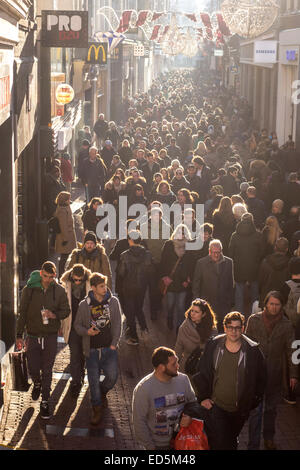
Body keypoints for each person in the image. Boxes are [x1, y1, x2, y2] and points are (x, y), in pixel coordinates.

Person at [183, 312, 266, 450]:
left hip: (239, 410)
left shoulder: (252, 350)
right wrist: (203, 397)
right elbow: (202, 371)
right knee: (220, 442)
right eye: (230, 327)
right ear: (225, 328)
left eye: (238, 327)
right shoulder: (213, 345)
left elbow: (261, 378)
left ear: (243, 328)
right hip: (217, 407)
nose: (234, 331)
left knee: (231, 439)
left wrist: (252, 401)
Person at [15, 261, 70, 419]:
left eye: (51, 277)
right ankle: (37, 383)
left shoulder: (59, 290)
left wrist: (54, 315)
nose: (47, 280)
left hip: (50, 335)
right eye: (45, 276)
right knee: (33, 368)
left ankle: (45, 401)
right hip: (32, 335)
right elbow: (22, 313)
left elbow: (66, 310)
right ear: (40, 273)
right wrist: (19, 335)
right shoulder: (29, 289)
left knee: (47, 370)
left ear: (54, 276)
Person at [246, 291, 298, 450]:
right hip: (256, 374)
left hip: (275, 374)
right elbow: (246, 345)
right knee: (255, 412)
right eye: (271, 304)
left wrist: (294, 374)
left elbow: (293, 351)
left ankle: (269, 438)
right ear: (266, 304)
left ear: (281, 306)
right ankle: (253, 444)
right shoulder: (253, 320)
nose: (274, 307)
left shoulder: (287, 325)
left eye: (277, 304)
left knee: (271, 410)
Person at [74, 272, 122, 425]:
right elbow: (77, 326)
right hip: (92, 350)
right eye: (101, 286)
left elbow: (118, 324)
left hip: (109, 349)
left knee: (112, 377)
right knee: (93, 381)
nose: (105, 288)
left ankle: (102, 392)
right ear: (93, 287)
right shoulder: (84, 305)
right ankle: (96, 408)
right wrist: (86, 332)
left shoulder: (113, 302)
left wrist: (114, 343)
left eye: (105, 285)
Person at [132, 346, 196, 450]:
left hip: (182, 441)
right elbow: (139, 421)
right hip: (156, 446)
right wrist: (150, 447)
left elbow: (193, 404)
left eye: (177, 362)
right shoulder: (143, 389)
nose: (178, 366)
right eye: (174, 364)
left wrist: (190, 416)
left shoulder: (183, 380)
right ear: (161, 367)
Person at [117, 230, 154, 346]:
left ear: (130, 240)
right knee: (139, 308)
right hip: (141, 287)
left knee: (129, 312)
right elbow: (150, 271)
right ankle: (144, 330)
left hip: (128, 287)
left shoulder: (124, 255)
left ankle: (133, 336)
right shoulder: (147, 254)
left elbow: (121, 273)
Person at [60, 264, 92, 397]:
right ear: (72, 277)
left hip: (87, 327)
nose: (78, 282)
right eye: (75, 280)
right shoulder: (65, 285)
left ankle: (80, 373)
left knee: (84, 353)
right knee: (75, 354)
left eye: (80, 280)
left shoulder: (91, 285)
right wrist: (60, 325)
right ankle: (76, 381)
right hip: (72, 326)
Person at [192, 239, 234, 332]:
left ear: (221, 251)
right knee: (207, 330)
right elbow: (196, 284)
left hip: (223, 304)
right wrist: (197, 302)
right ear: (209, 251)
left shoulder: (229, 262)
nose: (216, 255)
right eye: (214, 252)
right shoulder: (201, 263)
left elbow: (231, 283)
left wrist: (230, 301)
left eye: (218, 252)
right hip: (207, 303)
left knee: (222, 330)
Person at [160, 225, 194, 332]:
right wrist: (164, 276)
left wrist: (188, 279)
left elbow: (191, 264)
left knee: (180, 306)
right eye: (179, 232)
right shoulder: (168, 244)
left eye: (183, 233)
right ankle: (169, 318)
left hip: (182, 283)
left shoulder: (189, 246)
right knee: (170, 304)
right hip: (171, 282)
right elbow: (163, 262)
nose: (181, 235)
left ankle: (179, 326)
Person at [229, 212, 264, 314]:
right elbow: (262, 252)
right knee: (255, 296)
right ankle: (255, 317)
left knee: (239, 295)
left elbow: (230, 253)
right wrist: (256, 261)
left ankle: (239, 317)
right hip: (254, 269)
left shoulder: (234, 235)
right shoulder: (258, 235)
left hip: (238, 269)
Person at [175, 299, 217, 374]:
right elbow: (178, 348)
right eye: (192, 311)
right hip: (187, 367)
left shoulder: (212, 329)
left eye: (196, 312)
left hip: (204, 368)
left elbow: (214, 351)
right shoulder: (184, 328)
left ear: (203, 314)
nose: (193, 314)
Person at [258, 237, 290, 308]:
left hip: (267, 298)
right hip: (283, 299)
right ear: (287, 249)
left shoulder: (265, 262)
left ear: (275, 248)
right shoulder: (289, 264)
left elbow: (260, 281)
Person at [54, 191, 77, 277]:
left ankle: (63, 274)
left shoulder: (65, 207)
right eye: (68, 199)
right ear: (64, 200)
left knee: (66, 256)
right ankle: (61, 275)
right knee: (64, 257)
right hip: (65, 237)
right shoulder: (62, 211)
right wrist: (65, 239)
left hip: (68, 235)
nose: (69, 200)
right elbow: (63, 226)